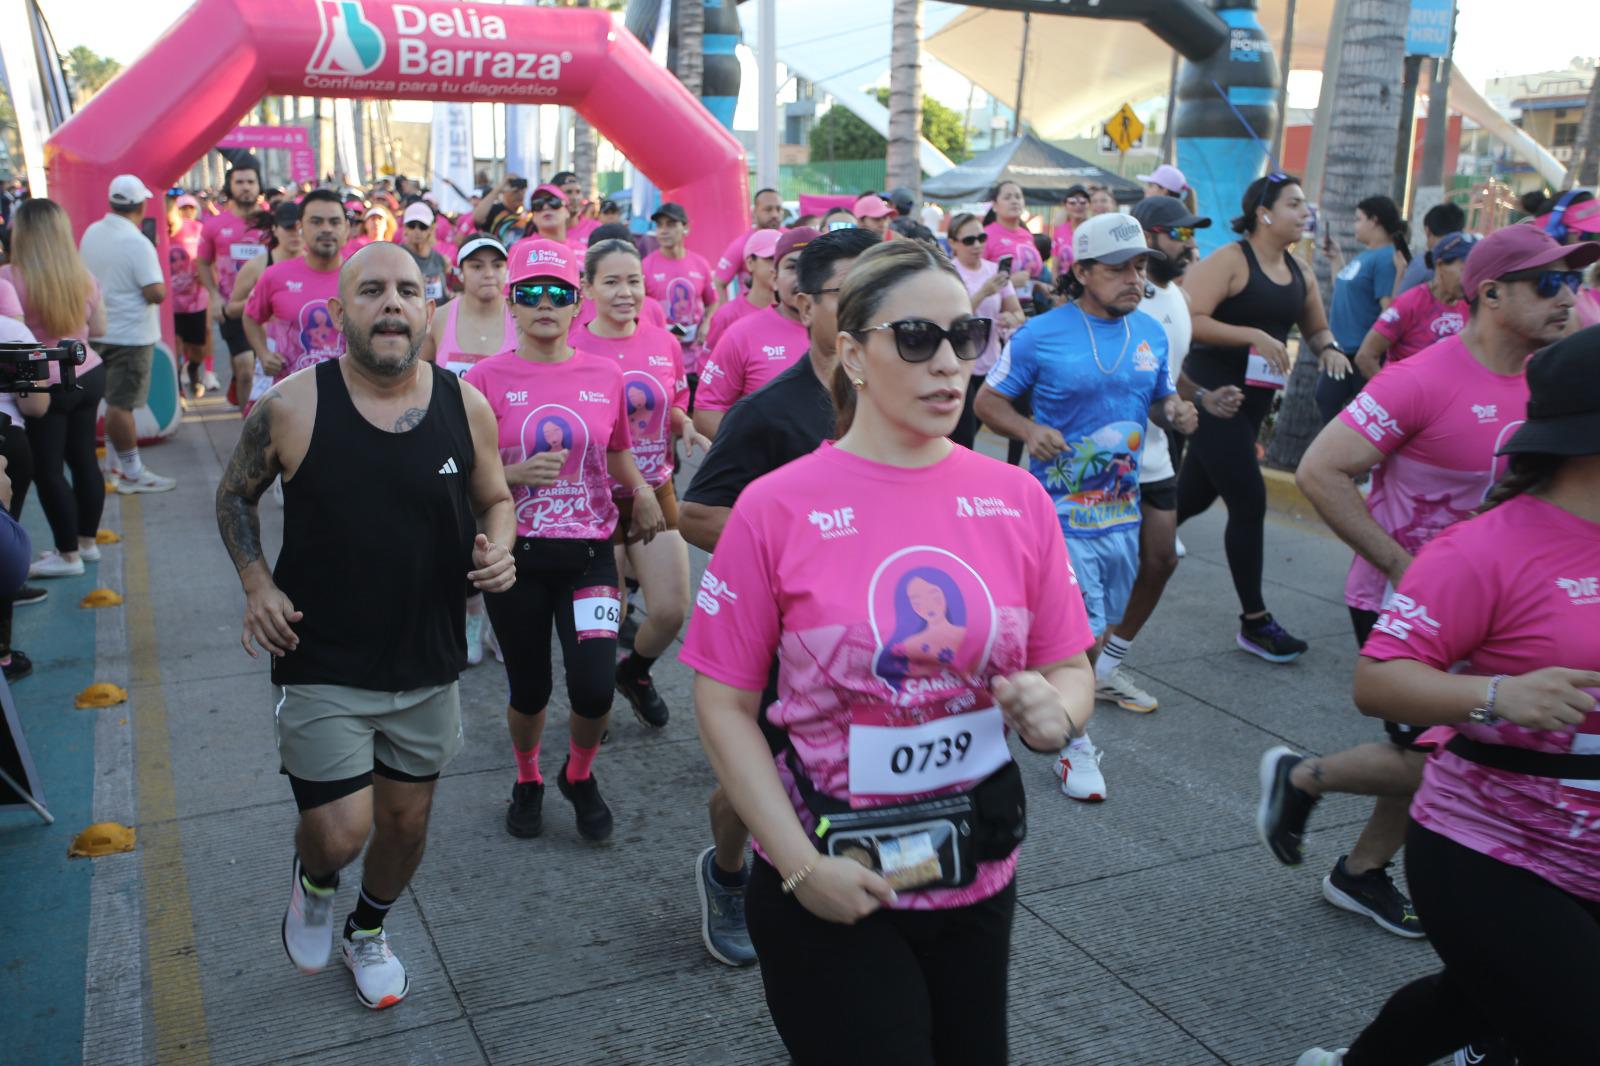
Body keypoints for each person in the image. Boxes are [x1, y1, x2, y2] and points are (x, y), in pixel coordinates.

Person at [682, 239, 1095, 1062]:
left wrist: (1059, 713)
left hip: (976, 868)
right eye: (917, 338)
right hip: (829, 877)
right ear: (852, 354)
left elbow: (1069, 665)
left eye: (967, 337)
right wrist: (800, 870)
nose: (950, 364)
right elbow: (722, 702)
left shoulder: (1014, 499)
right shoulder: (776, 508)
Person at [1268, 226, 1598, 943]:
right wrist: (1398, 565)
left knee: (1455, 748)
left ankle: (1363, 869)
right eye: (1548, 283)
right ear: (1490, 293)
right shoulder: (1422, 378)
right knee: (1455, 755)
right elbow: (1322, 470)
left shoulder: (1559, 380)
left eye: (1571, 281)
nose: (1567, 296)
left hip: (1515, 608)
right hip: (1411, 605)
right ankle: (1308, 782)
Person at [215, 241, 516, 1011]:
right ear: (340, 311)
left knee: (406, 825)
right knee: (342, 831)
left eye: (408, 290)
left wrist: (500, 554)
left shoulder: (464, 403)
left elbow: (497, 497)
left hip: (428, 659)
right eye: (372, 291)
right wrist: (257, 584)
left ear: (428, 308)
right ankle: (316, 883)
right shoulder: (292, 405)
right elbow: (233, 496)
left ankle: (368, 930)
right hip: (321, 656)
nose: (392, 304)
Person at [1298, 324, 1600, 1066]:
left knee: (1473, 1000)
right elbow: (1377, 679)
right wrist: (1499, 695)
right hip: (1493, 845)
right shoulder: (1482, 548)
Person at [680, 226, 880, 968]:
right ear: (804, 304)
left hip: (876, 634)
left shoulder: (901, 398)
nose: (872, 309)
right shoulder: (771, 412)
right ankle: (728, 871)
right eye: (851, 294)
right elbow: (696, 513)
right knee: (758, 776)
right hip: (783, 634)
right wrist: (807, 557)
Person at [976, 212, 1198, 802]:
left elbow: (1157, 399)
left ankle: (1014, 691)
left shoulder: (1148, 333)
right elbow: (987, 401)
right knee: (1088, 634)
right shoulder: (1041, 334)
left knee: (1083, 631)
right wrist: (1028, 428)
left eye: (1141, 266)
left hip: (1120, 514)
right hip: (1056, 516)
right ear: (1082, 271)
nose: (1134, 277)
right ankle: (1072, 747)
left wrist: (1175, 412)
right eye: (1120, 267)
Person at [463, 239, 663, 844]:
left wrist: (645, 490)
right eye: (530, 293)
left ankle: (578, 776)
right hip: (514, 557)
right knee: (530, 688)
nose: (544, 303)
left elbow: (619, 449)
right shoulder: (481, 379)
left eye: (558, 293)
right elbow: (461, 476)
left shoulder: (605, 373)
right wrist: (514, 476)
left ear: (576, 303)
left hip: (590, 557)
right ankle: (527, 778)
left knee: (595, 684)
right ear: (512, 306)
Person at [1177, 172, 1338, 663]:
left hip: (1253, 406)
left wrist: (1330, 351)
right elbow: (1189, 317)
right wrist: (1252, 335)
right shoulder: (1231, 260)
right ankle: (1255, 622)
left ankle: (1106, 547)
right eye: (1294, 203)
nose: (1304, 211)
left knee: (1191, 500)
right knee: (1248, 501)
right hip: (1212, 395)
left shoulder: (1301, 272)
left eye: (1305, 202)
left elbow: (1316, 329)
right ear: (1264, 213)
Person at [1093, 197, 1238, 713]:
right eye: (1180, 235)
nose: (1190, 244)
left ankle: (1105, 667)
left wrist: (1200, 398)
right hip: (1110, 456)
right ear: (1150, 237)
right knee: (1100, 571)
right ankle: (1071, 669)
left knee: (1160, 559)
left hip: (1155, 453)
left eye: (1191, 235)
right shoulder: (1128, 296)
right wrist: (1169, 409)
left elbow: (1166, 374)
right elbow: (1119, 377)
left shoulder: (1175, 295)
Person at [571, 237, 708, 728]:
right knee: (603, 621)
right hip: (591, 502)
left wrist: (684, 424)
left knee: (671, 610)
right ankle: (592, 708)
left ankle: (636, 674)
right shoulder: (571, 347)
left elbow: (668, 404)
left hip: (658, 488)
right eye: (611, 282)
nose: (625, 292)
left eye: (632, 280)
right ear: (587, 287)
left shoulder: (663, 340)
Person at [0, 199, 106, 578]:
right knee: (84, 460)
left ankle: (67, 554)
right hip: (88, 370)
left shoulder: (10, 278)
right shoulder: (83, 276)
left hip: (42, 382)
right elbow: (101, 329)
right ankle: (87, 544)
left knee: (48, 469)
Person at [78, 174, 173, 494]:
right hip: (130, 336)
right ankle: (132, 471)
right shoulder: (137, 242)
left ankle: (115, 466)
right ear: (141, 204)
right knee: (122, 406)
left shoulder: (92, 232)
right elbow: (156, 292)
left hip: (97, 330)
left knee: (116, 403)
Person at [693, 228, 816, 439]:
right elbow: (708, 405)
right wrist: (753, 451)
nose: (803, 276)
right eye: (792, 267)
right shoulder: (735, 325)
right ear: (775, 277)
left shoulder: (847, 330)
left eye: (814, 266)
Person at [1315, 195, 1411, 423]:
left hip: (1362, 354)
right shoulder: (1366, 256)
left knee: (1363, 416)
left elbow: (1390, 310)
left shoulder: (1387, 258)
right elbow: (1343, 285)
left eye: (1358, 219)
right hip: (1341, 351)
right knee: (1326, 400)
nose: (1354, 225)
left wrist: (1371, 353)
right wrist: (1336, 258)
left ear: (1374, 221)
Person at [245, 189, 350, 385]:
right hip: (291, 395)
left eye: (334, 222)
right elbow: (250, 317)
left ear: (347, 228)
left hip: (349, 394)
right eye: (316, 222)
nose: (327, 229)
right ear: (300, 226)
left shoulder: (361, 277)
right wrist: (264, 354)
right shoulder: (275, 275)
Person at [946, 212, 1023, 449]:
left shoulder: (996, 272)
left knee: (1009, 423)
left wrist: (1010, 318)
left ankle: (1014, 474)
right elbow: (948, 322)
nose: (977, 245)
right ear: (953, 243)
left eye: (981, 237)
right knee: (965, 434)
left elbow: (1019, 314)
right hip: (961, 363)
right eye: (969, 240)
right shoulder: (948, 273)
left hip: (993, 362)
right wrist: (982, 293)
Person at [1352, 231, 1475, 377]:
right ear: (1441, 265)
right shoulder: (1409, 303)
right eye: (1465, 269)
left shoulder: (1470, 307)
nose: (1471, 276)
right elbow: (1365, 357)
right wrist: (1391, 394)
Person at [198, 160, 267, 409]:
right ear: (230, 186)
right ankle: (249, 433)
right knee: (247, 368)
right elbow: (203, 263)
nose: (245, 187)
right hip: (233, 307)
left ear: (259, 186)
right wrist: (214, 296)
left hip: (268, 309)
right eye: (239, 182)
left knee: (264, 370)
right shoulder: (215, 225)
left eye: (251, 182)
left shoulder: (271, 224)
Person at [642, 202, 717, 395]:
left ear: (685, 227)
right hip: (662, 357)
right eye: (659, 225)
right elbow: (640, 311)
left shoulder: (700, 264)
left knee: (695, 413)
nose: (663, 230)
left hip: (696, 357)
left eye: (670, 224)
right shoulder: (646, 266)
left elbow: (713, 301)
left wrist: (707, 322)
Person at [420, 234, 512, 377]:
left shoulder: (523, 317)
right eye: (477, 266)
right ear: (461, 272)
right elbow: (417, 378)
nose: (489, 274)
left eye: (497, 265)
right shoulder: (438, 320)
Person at [703, 228, 779, 359]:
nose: (777, 266)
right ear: (750, 263)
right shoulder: (727, 316)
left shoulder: (796, 312)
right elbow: (709, 368)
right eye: (770, 258)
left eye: (781, 259)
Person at [168, 193, 213, 398]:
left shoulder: (197, 229)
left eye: (191, 208)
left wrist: (206, 274)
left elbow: (209, 259)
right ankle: (178, 391)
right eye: (181, 207)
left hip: (196, 301)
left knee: (197, 349)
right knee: (175, 346)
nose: (186, 212)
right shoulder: (157, 230)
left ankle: (194, 369)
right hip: (170, 303)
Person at [982, 181, 1044, 316]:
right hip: (1001, 313)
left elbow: (1030, 273)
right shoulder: (985, 236)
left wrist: (1039, 286)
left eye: (1018, 197)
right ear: (994, 205)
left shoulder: (1027, 235)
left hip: (1029, 309)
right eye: (1007, 197)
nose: (1014, 201)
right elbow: (975, 278)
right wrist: (1008, 283)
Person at [713, 187, 785, 303]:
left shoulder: (790, 238)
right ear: (754, 212)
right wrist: (726, 314)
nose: (775, 214)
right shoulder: (742, 245)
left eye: (779, 209)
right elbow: (719, 282)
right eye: (768, 209)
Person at [1395, 201, 1466, 294]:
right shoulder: (1469, 260)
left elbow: (1397, 303)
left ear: (1427, 231)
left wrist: (1400, 271)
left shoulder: (1422, 263)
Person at [399, 202, 449, 304]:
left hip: (438, 317)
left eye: (422, 226)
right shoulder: (396, 257)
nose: (417, 231)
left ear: (430, 229)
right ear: (405, 228)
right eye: (412, 225)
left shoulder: (439, 259)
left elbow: (444, 294)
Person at [473, 174, 528, 241]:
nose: (520, 195)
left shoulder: (527, 214)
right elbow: (477, 218)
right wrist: (498, 189)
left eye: (522, 191)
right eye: (515, 191)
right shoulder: (495, 210)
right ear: (504, 192)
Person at [1051, 184, 1089, 277]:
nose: (1078, 206)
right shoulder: (1059, 230)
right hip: (1064, 286)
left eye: (1083, 202)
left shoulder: (1093, 229)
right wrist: (1057, 288)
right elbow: (1055, 266)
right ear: (1065, 205)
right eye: (1072, 202)